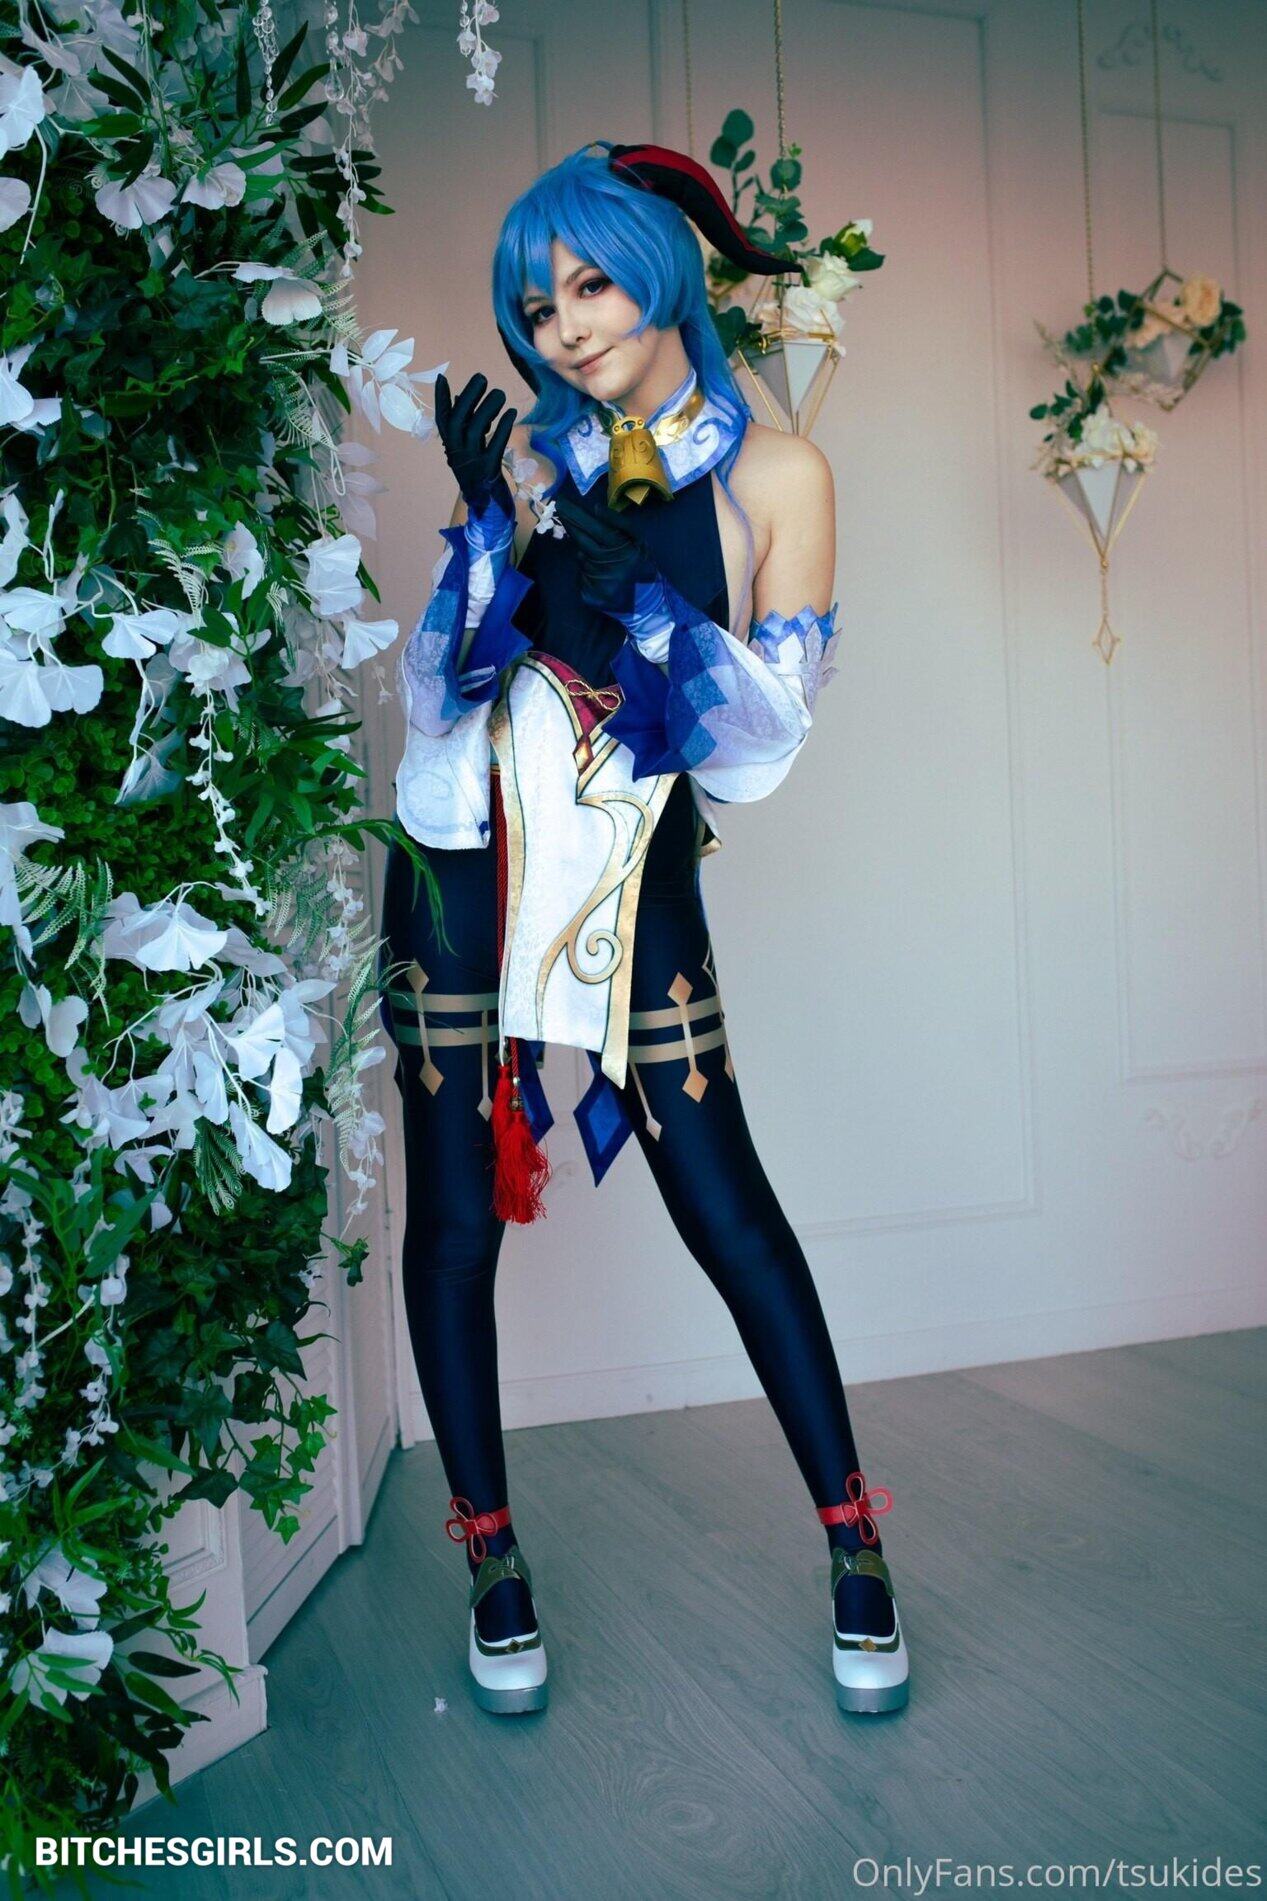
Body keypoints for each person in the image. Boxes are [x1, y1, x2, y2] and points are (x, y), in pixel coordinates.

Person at [379, 139, 909, 1717]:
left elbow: (757, 755)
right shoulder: (532, 461)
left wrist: (646, 605)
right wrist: (488, 537)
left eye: (592, 284)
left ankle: (857, 1540)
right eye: (538, 306)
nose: (566, 325)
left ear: (665, 273)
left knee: (728, 1209)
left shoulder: (780, 476)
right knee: (455, 1217)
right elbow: (441, 709)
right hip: (463, 867)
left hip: (633, 876)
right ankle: (492, 1556)